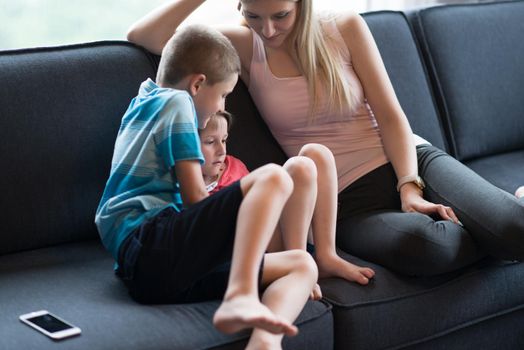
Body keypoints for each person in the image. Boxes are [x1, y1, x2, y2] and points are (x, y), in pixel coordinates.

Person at [127, 0, 524, 277]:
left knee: (513, 230)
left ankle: (501, 217)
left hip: (411, 163)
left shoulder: (345, 27)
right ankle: (490, 217)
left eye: (281, 15)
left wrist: (409, 186)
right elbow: (147, 36)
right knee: (430, 249)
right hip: (342, 202)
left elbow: (390, 115)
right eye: (254, 15)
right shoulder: (246, 46)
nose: (268, 30)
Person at [96, 24, 320, 349]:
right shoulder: (177, 103)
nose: (221, 107)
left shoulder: (141, 101)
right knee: (274, 177)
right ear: (198, 84)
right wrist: (238, 217)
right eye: (224, 95)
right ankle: (240, 295)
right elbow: (195, 201)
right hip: (150, 245)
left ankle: (265, 342)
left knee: (302, 264)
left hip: (155, 273)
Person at [199, 111, 375, 290]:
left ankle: (326, 256)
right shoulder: (185, 187)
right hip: (264, 251)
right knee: (296, 168)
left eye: (224, 140)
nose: (222, 150)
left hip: (292, 233)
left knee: (314, 154)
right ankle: (297, 268)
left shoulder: (234, 166)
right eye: (210, 142)